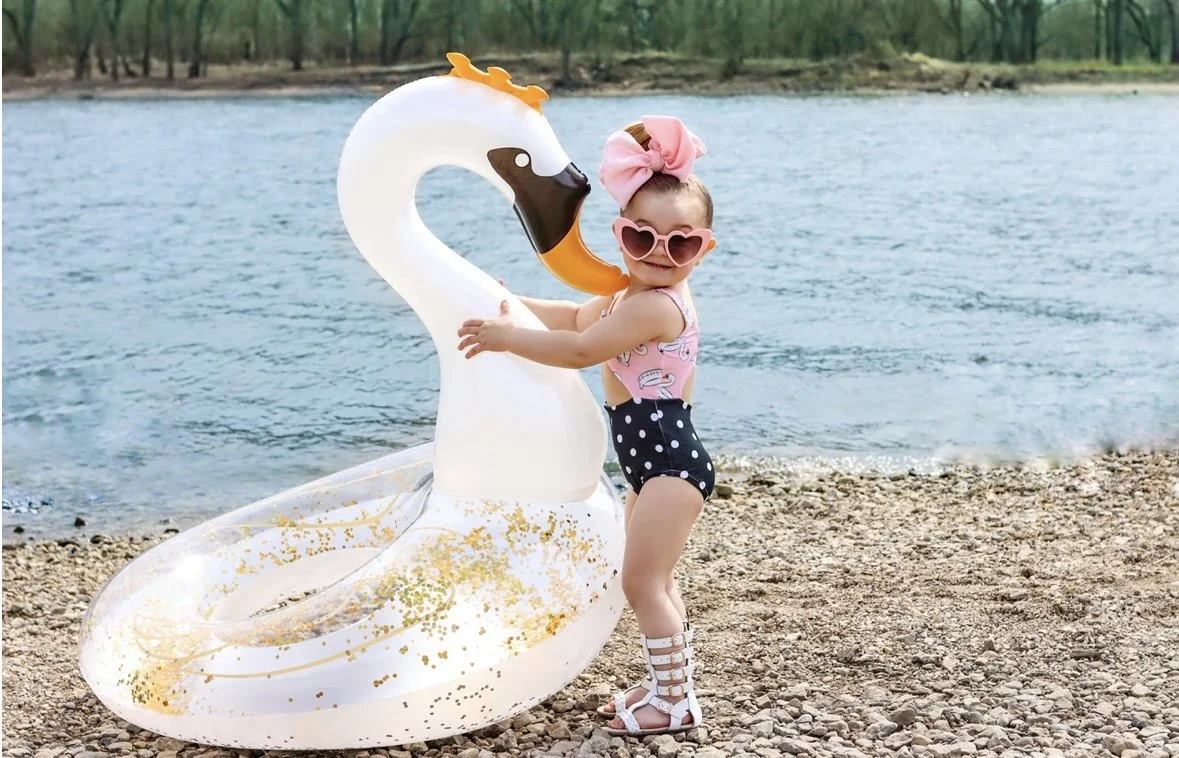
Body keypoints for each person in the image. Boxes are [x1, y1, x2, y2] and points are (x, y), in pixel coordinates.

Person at [456, 115, 716, 736]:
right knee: (656, 581)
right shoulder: (627, 298)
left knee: (642, 583)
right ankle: (669, 683)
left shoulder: (657, 307)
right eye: (642, 237)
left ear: (702, 250)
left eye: (680, 244)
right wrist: (508, 305)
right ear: (619, 234)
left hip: (671, 467)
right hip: (652, 467)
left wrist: (506, 339)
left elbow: (580, 351)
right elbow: (574, 319)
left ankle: (674, 704)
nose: (659, 253)